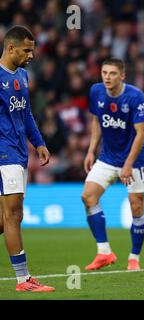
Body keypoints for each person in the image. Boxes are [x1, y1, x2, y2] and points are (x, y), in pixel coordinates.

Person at [82, 58, 144, 271]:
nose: (107, 77)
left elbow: (141, 133)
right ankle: (104, 252)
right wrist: (91, 150)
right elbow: (96, 120)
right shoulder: (96, 91)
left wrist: (128, 165)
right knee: (88, 196)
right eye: (104, 73)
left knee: (136, 206)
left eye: (112, 73)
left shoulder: (135, 96)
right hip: (107, 157)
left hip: (136, 160)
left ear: (122, 75)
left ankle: (134, 258)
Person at [0, 26, 54, 292]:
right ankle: (23, 280)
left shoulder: (22, 75)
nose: (31, 55)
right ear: (10, 48)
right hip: (4, 153)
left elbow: (27, 114)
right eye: (26, 50)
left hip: (20, 153)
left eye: (32, 50)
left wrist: (39, 143)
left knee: (6, 218)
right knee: (13, 214)